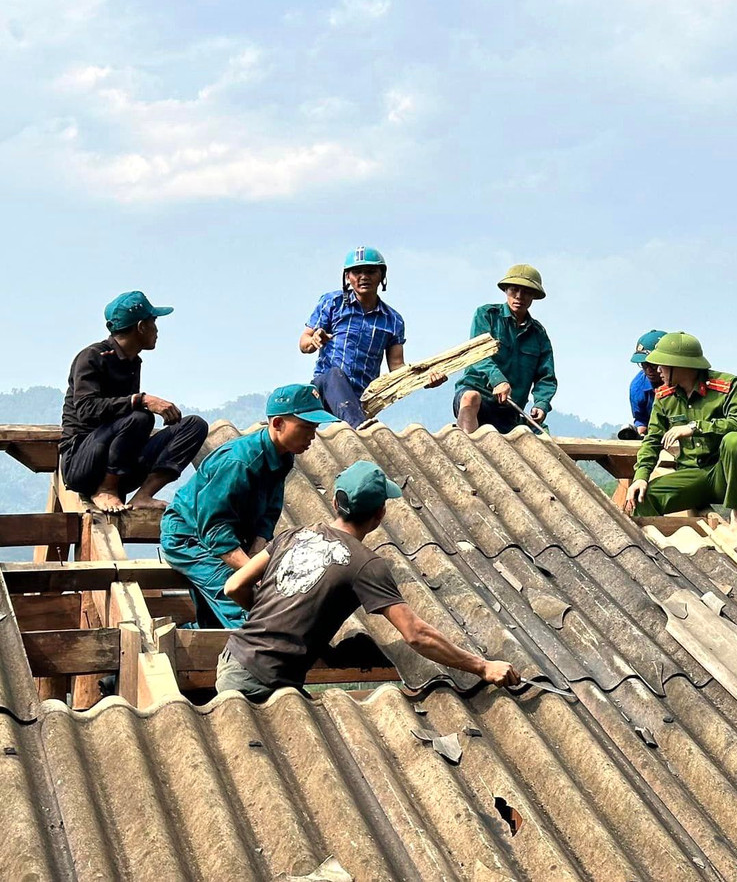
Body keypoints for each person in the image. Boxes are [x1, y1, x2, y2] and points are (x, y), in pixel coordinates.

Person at [216, 460, 519, 701]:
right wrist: (483, 666)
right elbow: (416, 634)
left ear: (336, 502)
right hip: (262, 681)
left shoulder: (292, 535)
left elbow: (234, 586)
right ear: (380, 514)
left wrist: (269, 615)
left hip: (233, 659)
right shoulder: (366, 564)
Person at [160, 384, 337, 628]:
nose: (312, 436)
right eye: (306, 427)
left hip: (229, 538)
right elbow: (214, 531)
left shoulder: (284, 456)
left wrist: (256, 555)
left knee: (216, 622)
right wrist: (253, 573)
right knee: (249, 609)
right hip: (190, 539)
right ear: (277, 424)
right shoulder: (239, 462)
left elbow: (269, 514)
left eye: (315, 428)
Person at [59, 291, 208, 513]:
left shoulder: (132, 362)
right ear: (141, 327)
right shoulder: (92, 357)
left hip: (120, 464)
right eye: (153, 322)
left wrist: (139, 404)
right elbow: (86, 410)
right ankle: (106, 490)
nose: (157, 330)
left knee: (194, 425)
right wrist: (141, 400)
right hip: (83, 464)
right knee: (141, 416)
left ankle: (143, 495)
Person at [301, 246, 444, 430]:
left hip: (362, 398)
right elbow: (303, 342)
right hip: (324, 389)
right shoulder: (332, 303)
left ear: (381, 276)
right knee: (335, 375)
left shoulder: (392, 320)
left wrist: (425, 379)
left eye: (370, 272)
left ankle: (358, 423)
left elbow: (397, 368)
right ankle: (361, 428)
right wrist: (314, 341)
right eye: (357, 272)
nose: (363, 277)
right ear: (347, 277)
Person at [624, 332, 737, 533]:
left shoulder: (728, 385)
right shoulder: (664, 396)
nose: (658, 371)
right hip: (691, 475)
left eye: (662, 364)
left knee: (735, 441)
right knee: (640, 498)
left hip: (724, 474)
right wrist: (641, 476)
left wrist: (694, 427)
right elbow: (652, 440)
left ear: (681, 365)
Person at [454, 264, 558, 433]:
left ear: (534, 296)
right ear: (506, 291)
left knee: (544, 440)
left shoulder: (539, 334)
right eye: (513, 290)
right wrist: (498, 380)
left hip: (510, 410)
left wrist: (541, 403)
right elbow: (477, 354)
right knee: (470, 398)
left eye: (526, 292)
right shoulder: (487, 315)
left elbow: (546, 377)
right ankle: (466, 454)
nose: (519, 296)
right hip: (478, 398)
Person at [617, 329, 667, 441]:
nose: (649, 370)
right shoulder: (637, 387)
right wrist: (640, 434)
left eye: (653, 365)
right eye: (644, 365)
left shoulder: (688, 382)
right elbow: (641, 419)